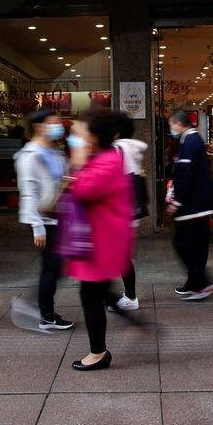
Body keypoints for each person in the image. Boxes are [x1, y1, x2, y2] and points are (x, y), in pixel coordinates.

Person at [65, 108, 134, 371]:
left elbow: (82, 190)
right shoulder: (104, 158)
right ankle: (136, 325)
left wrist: (77, 161)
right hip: (97, 240)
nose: (75, 137)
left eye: (80, 133)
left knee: (91, 295)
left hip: (100, 244)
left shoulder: (106, 162)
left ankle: (98, 353)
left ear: (93, 136)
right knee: (97, 292)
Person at [14, 109, 74, 331]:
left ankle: (38, 305)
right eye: (54, 122)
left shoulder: (54, 152)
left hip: (58, 217)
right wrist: (37, 227)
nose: (59, 126)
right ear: (39, 127)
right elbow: (28, 193)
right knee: (52, 267)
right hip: (44, 221)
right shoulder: (29, 156)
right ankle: (46, 315)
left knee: (56, 267)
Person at [168, 111, 213, 300]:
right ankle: (194, 282)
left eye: (171, 125)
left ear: (178, 123)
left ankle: (201, 282)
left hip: (193, 206)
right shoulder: (192, 139)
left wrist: (177, 201)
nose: (171, 129)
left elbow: (186, 174)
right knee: (195, 244)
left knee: (184, 243)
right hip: (198, 204)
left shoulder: (190, 141)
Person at [111, 112, 149, 311]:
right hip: (130, 209)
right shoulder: (130, 148)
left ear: (116, 131)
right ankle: (128, 295)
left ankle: (130, 296)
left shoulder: (118, 149)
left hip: (120, 209)